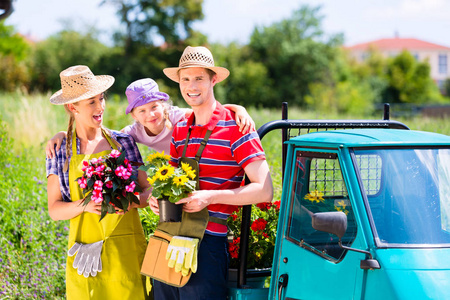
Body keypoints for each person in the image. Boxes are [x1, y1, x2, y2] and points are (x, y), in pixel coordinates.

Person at [149, 46, 273, 299]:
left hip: (207, 246)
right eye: (185, 79)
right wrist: (157, 197)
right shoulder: (181, 127)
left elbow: (265, 189)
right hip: (169, 237)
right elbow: (171, 180)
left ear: (213, 79)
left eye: (199, 78)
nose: (191, 86)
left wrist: (210, 197)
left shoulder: (237, 127)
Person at [46, 65, 151, 299]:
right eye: (91, 102)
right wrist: (85, 205)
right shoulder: (60, 151)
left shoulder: (123, 142)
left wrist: (130, 202)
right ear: (72, 107)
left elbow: (148, 191)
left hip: (127, 254)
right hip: (86, 256)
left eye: (101, 99)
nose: (100, 107)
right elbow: (54, 210)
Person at [45, 78, 255, 158]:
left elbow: (210, 110)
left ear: (162, 106)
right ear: (134, 115)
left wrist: (239, 109)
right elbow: (103, 137)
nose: (150, 115)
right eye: (142, 111)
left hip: (198, 161)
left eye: (154, 107)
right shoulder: (134, 132)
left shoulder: (178, 117)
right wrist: (64, 133)